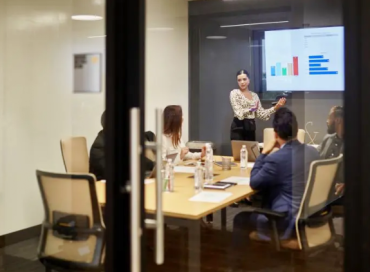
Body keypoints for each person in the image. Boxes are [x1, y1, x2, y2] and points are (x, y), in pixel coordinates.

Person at [232, 108, 319, 247]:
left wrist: (264, 153)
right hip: (310, 218)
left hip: (284, 222)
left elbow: (254, 182)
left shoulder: (276, 159)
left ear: (275, 133)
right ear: (296, 130)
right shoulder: (313, 152)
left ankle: (242, 266)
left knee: (240, 219)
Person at [89, 111, 155, 180]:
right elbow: (115, 172)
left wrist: (154, 165)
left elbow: (148, 135)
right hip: (104, 187)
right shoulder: (99, 147)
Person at [230, 69, 286, 141]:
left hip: (251, 127)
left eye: (244, 79)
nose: (242, 82)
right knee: (238, 151)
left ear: (249, 80)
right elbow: (239, 113)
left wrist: (276, 107)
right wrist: (251, 109)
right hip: (238, 127)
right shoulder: (234, 93)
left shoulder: (254, 96)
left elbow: (261, 114)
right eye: (239, 80)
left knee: (251, 151)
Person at [318, 106, 344, 197]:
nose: (327, 121)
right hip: (322, 190)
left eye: (329, 117)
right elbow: (316, 156)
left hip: (341, 195)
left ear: (338, 120)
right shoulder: (327, 139)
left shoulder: (355, 144)